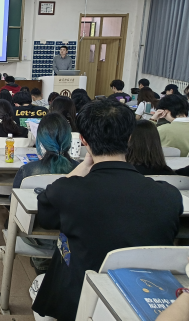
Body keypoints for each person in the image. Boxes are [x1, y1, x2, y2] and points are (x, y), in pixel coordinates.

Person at [31, 99, 183, 321]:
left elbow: (45, 215)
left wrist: (84, 165)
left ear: (83, 141)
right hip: (150, 304)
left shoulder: (68, 192)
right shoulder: (169, 195)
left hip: (81, 303)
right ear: (129, 138)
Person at [12, 113, 80, 274]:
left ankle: (41, 260)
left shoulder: (27, 171)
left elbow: (13, 204)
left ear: (40, 141)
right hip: (71, 238)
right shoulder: (81, 170)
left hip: (34, 236)